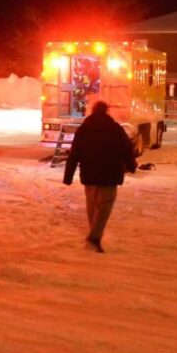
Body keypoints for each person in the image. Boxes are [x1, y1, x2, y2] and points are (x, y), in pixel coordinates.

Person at [62, 101, 137, 253]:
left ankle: (93, 235)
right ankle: (94, 237)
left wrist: (68, 176)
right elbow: (126, 149)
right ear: (106, 112)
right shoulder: (115, 129)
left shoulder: (84, 129)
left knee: (92, 204)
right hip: (109, 174)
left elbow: (74, 153)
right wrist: (131, 166)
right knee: (104, 205)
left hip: (89, 174)